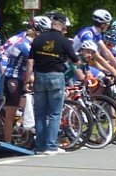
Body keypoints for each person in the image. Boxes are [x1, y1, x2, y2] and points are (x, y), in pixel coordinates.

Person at [25, 12, 78, 155]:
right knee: (54, 113)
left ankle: (40, 147)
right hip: (56, 76)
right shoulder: (64, 41)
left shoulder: (38, 39)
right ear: (62, 26)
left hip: (39, 77)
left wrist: (26, 80)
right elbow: (75, 60)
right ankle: (51, 146)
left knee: (40, 113)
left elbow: (30, 62)